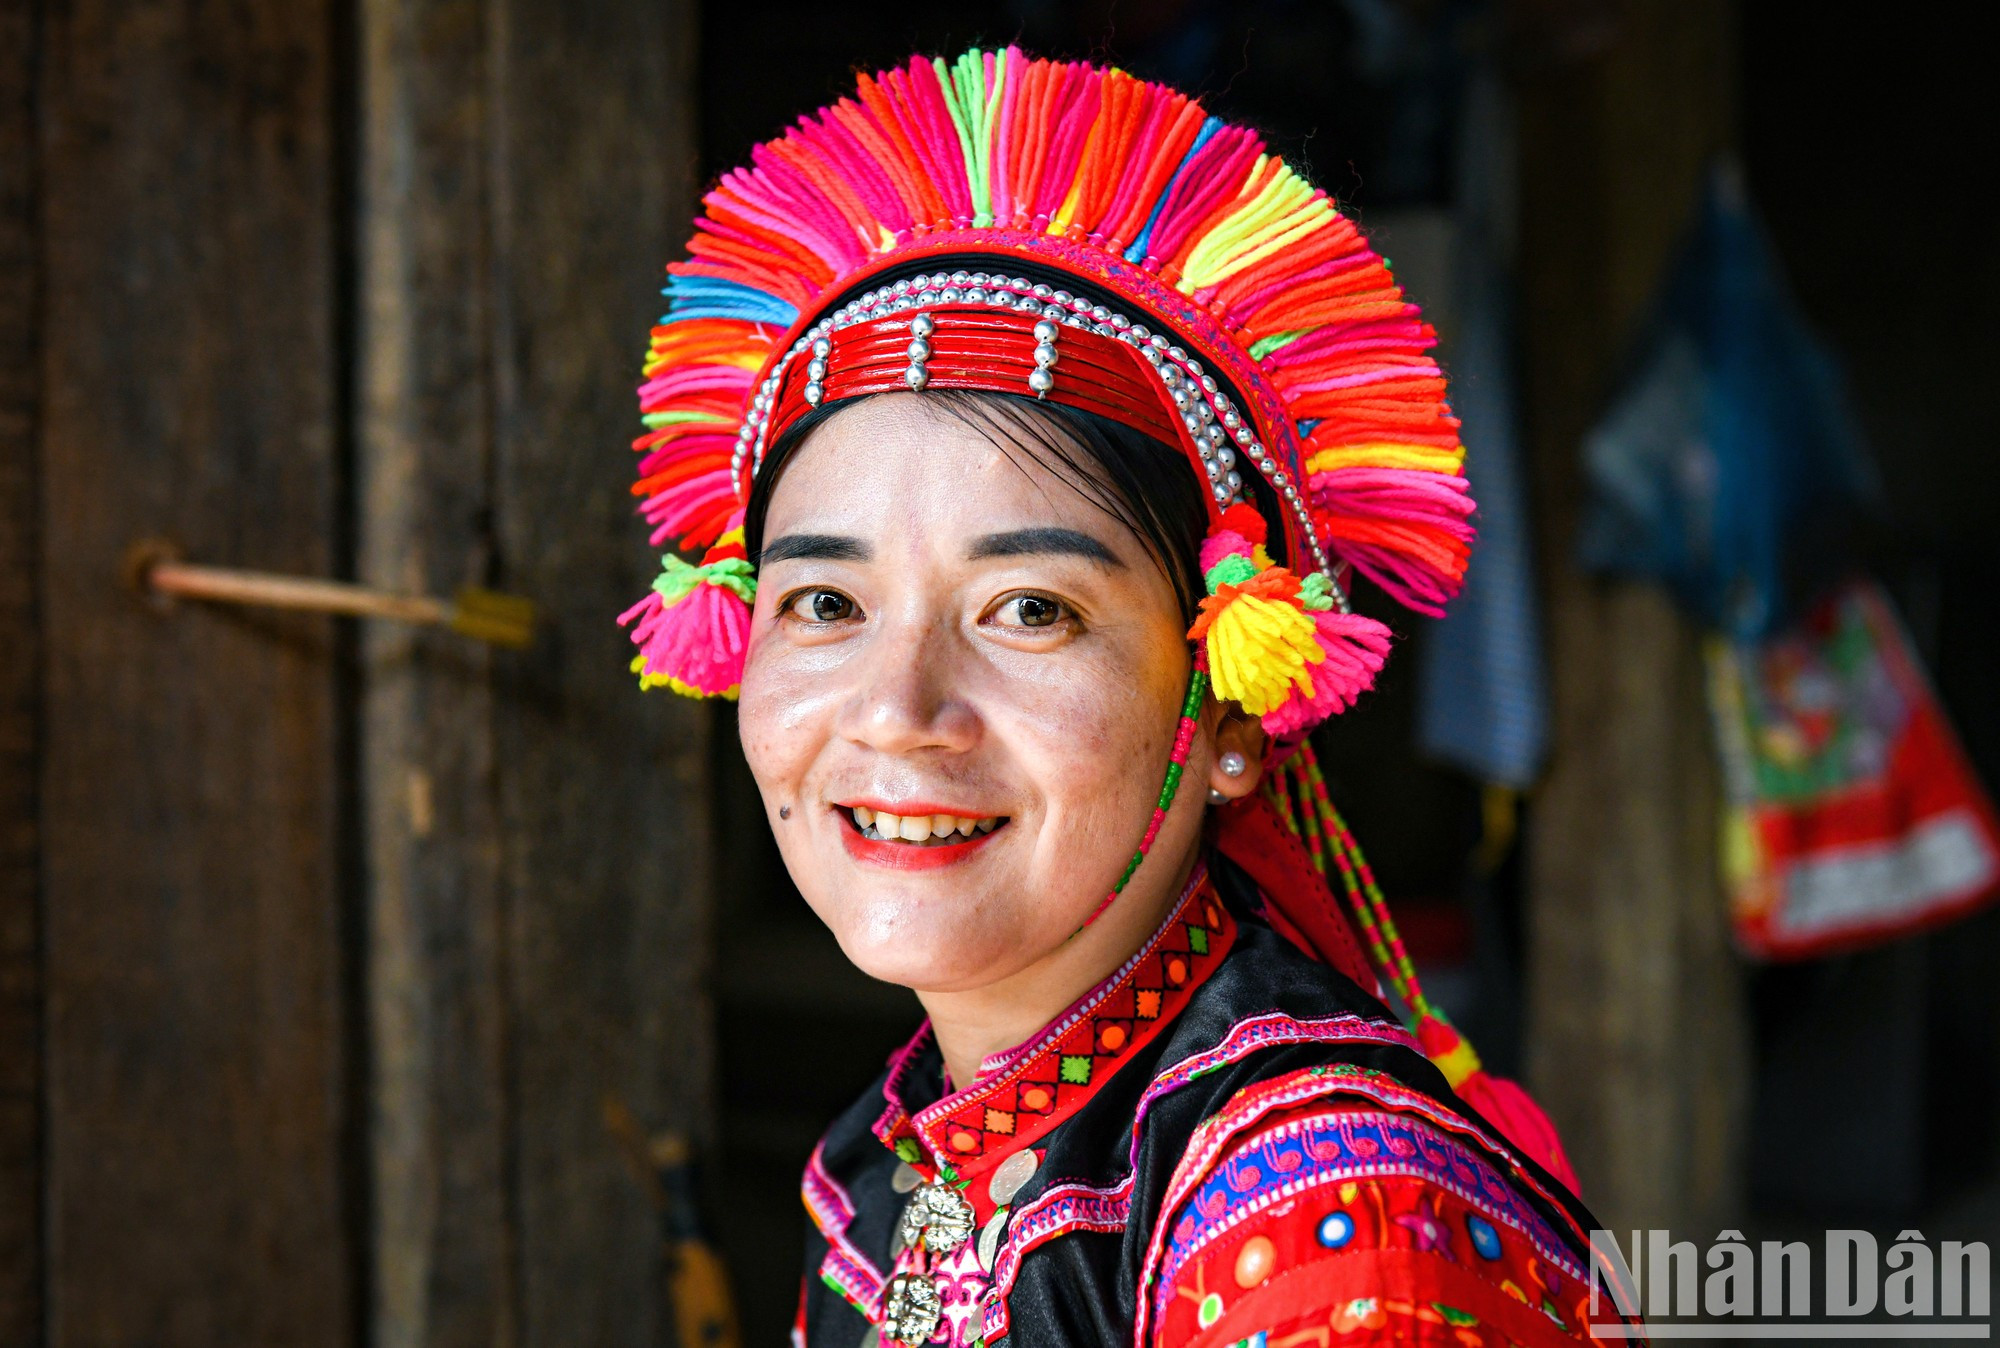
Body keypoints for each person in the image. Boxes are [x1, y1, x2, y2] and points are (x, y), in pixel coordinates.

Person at [620, 48, 1634, 1348]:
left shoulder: (1328, 1234)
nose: (896, 709)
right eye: (826, 605)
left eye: (1030, 612)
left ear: (1226, 718)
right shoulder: (892, 1164)